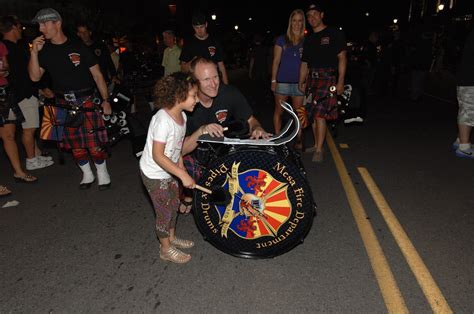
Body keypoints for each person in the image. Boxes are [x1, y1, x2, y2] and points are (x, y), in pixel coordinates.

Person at [28, 8, 113, 189]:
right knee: (75, 146)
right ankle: (87, 174)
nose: (41, 28)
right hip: (62, 104)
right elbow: (35, 77)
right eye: (39, 25)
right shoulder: (44, 51)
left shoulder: (79, 46)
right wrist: (34, 53)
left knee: (95, 144)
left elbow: (98, 75)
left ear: (57, 23)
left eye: (44, 24)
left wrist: (105, 100)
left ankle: (102, 173)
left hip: (86, 99)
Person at [182, 57, 271, 185]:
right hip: (192, 157)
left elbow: (251, 120)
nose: (213, 84)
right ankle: (188, 199)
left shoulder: (229, 92)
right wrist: (201, 131)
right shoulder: (184, 104)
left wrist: (257, 128)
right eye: (206, 79)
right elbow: (179, 151)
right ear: (194, 82)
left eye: (215, 77)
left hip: (222, 154)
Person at [139, 72, 198, 264]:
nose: (196, 100)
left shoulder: (182, 117)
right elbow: (158, 155)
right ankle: (165, 249)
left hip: (169, 169)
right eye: (193, 96)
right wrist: (180, 173)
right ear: (179, 95)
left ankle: (171, 238)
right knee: (164, 211)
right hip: (154, 173)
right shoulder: (163, 120)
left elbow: (177, 148)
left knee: (174, 205)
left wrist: (181, 170)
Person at [0, 15, 54, 171]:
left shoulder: (13, 47)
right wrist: (41, 88)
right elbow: (24, 73)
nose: (21, 31)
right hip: (22, 94)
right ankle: (31, 160)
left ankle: (35, 154)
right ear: (13, 27)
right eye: (19, 27)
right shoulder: (12, 48)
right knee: (29, 128)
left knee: (28, 128)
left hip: (17, 94)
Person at [298, 3, 347, 162]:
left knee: (320, 114)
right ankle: (317, 144)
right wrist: (301, 80)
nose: (312, 18)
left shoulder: (333, 33)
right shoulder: (309, 39)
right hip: (312, 79)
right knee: (311, 114)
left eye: (315, 14)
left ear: (322, 15)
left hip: (327, 78)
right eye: (309, 16)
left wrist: (340, 81)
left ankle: (319, 149)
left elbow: (342, 58)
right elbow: (304, 63)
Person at [0, 40, 37, 183]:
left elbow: (6, 66)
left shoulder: (1, 46)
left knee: (9, 135)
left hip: (3, 92)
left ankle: (19, 172)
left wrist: (5, 70)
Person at [271, 9, 305, 149]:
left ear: (303, 23)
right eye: (294, 20)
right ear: (290, 22)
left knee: (299, 113)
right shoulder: (281, 39)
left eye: (299, 20)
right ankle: (278, 140)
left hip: (299, 84)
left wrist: (305, 82)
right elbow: (276, 61)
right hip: (282, 82)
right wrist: (273, 80)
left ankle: (299, 140)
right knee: (279, 111)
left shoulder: (306, 41)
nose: (296, 23)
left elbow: (308, 64)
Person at [179, 11, 229, 84]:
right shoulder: (189, 44)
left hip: (214, 81)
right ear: (193, 27)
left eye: (202, 27)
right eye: (197, 28)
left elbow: (221, 66)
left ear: (206, 24)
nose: (199, 31)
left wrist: (226, 86)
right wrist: (191, 63)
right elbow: (182, 69)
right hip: (197, 84)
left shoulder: (214, 41)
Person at [453, 29, 474, 159]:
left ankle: (461, 140)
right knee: (468, 112)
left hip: (467, 78)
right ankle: (464, 147)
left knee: (468, 111)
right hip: (469, 79)